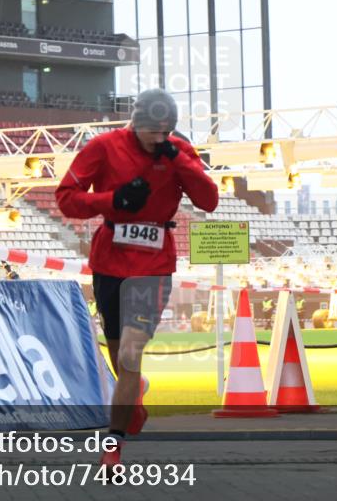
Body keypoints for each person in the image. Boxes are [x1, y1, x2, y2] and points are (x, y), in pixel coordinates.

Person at [55, 88, 219, 473]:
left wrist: (178, 159)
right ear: (135, 123)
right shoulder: (103, 146)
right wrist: (112, 200)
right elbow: (65, 198)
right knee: (120, 359)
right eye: (152, 134)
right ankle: (134, 398)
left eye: (166, 134)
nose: (158, 141)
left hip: (153, 264)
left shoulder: (179, 150)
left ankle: (112, 449)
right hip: (110, 261)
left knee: (129, 355)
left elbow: (209, 200)